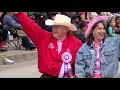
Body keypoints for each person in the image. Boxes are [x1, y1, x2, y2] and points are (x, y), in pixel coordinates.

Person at [15, 12, 83, 78]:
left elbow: (81, 64)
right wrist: (19, 13)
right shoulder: (43, 37)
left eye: (57, 27)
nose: (54, 29)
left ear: (65, 29)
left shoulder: (76, 43)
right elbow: (30, 25)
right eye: (53, 27)